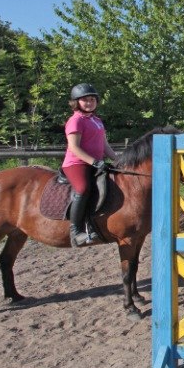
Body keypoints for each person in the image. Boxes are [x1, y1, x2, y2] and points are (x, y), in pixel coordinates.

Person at [62, 83, 119, 248]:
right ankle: (76, 232)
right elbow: (74, 147)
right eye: (85, 100)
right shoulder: (75, 120)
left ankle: (94, 225)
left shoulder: (97, 120)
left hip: (96, 163)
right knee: (83, 189)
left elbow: (105, 146)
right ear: (76, 102)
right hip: (76, 164)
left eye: (92, 99)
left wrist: (118, 160)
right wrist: (94, 161)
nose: (89, 103)